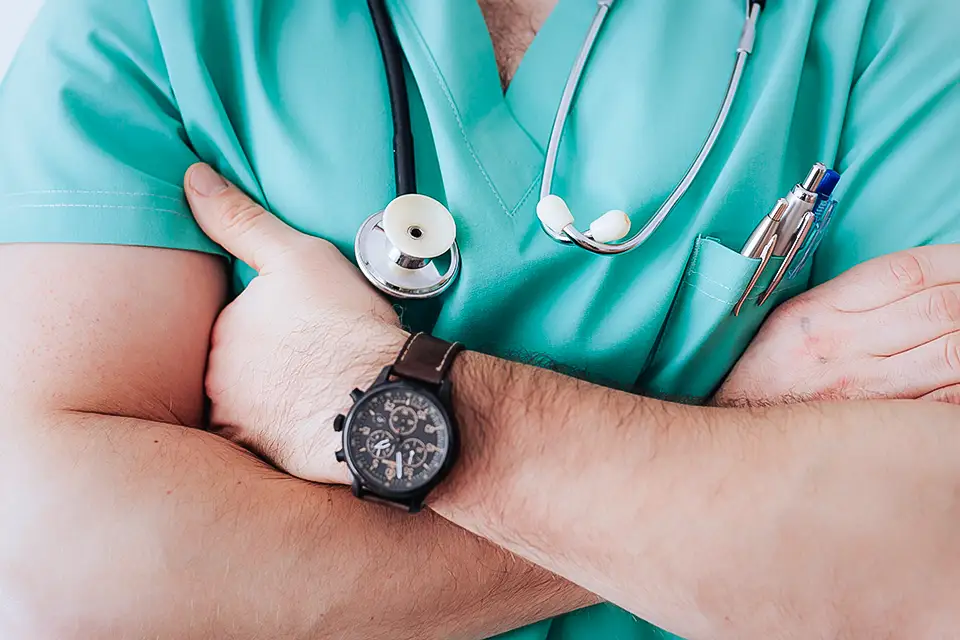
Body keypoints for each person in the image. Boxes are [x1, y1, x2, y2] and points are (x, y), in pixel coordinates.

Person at [0, 0, 958, 638]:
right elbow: (73, 561)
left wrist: (354, 391)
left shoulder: (894, 26)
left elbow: (933, 553)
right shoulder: (148, 22)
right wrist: (715, 427)